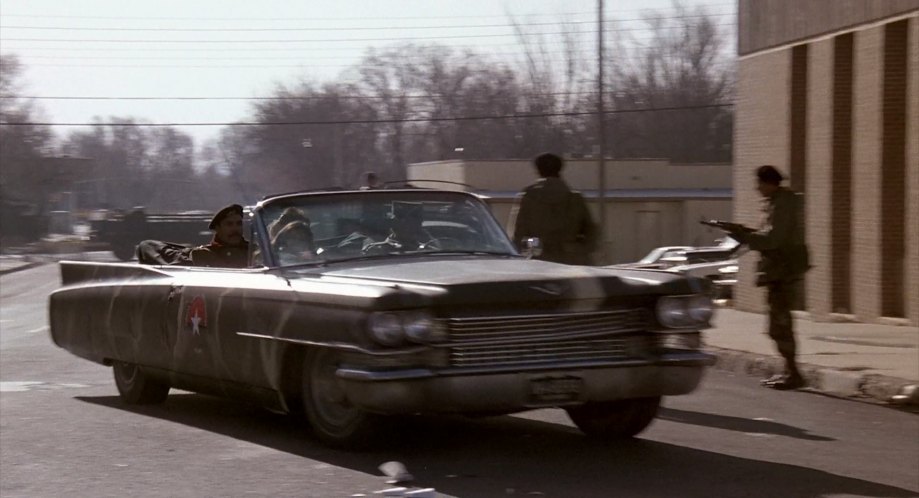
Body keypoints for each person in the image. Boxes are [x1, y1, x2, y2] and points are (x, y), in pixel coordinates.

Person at [725, 165, 810, 390]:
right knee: (778, 324)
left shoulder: (782, 204)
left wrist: (744, 237)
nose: (757, 188)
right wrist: (745, 232)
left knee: (780, 325)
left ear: (770, 183)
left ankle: (793, 373)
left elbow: (773, 240)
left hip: (783, 270)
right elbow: (769, 235)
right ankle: (790, 371)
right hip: (779, 270)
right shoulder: (777, 202)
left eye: (760, 183)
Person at [512, 152, 597, 265]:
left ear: (538, 170)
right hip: (573, 265)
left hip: (539, 264)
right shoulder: (575, 198)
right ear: (560, 170)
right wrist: (575, 249)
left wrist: (537, 248)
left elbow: (519, 237)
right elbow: (591, 234)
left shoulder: (528, 198)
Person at [189, 203, 249, 268]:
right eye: (229, 224)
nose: (235, 228)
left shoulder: (254, 251)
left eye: (239, 224)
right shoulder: (203, 254)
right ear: (218, 228)